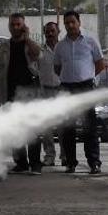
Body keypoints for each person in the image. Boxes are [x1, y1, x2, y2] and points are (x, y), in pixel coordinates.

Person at [54, 11, 104, 175]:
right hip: (67, 88)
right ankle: (70, 163)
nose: (70, 25)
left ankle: (94, 163)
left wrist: (87, 78)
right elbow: (57, 68)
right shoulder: (60, 46)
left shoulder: (90, 42)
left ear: (79, 22)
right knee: (68, 128)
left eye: (72, 22)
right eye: (67, 23)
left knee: (90, 127)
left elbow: (100, 64)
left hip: (86, 87)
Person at [0, 14, 43, 174]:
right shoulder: (4, 46)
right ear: (9, 26)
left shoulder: (30, 45)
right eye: (13, 24)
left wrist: (27, 38)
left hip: (30, 93)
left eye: (18, 24)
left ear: (24, 25)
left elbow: (38, 55)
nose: (15, 27)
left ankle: (35, 163)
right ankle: (21, 162)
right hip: (9, 92)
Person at [39, 22, 63, 166]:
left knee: (63, 126)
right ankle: (49, 156)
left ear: (58, 31)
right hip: (45, 92)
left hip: (61, 91)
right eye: (47, 31)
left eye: (52, 31)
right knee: (46, 127)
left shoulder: (63, 48)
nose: (50, 34)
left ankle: (65, 156)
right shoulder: (40, 51)